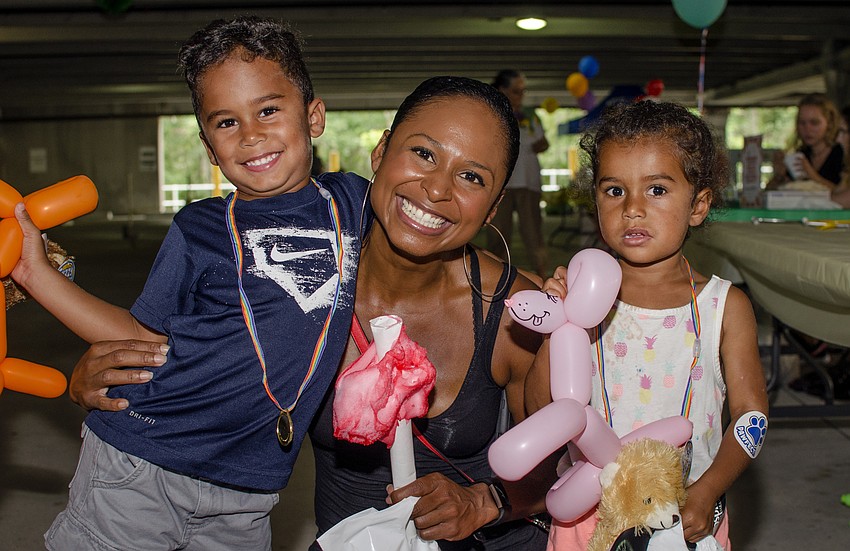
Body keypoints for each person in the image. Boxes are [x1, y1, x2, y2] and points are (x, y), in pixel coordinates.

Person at [43, 76, 559, 550]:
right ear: (381, 152)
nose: (438, 189)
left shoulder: (514, 313)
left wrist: (482, 501)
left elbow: (563, 465)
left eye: (471, 176)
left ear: (492, 208)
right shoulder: (298, 280)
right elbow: (203, 349)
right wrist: (119, 378)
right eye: (423, 153)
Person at [12, 16, 370, 550]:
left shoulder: (353, 202)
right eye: (226, 123)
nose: (251, 135)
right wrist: (34, 274)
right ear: (207, 146)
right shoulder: (198, 227)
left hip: (250, 489)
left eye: (269, 110)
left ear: (313, 116)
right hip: (141, 460)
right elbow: (139, 337)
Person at [536, 101, 769, 550]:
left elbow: (752, 416)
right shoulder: (580, 302)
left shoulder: (725, 306)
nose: (633, 208)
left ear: (698, 205)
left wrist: (709, 488)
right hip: (587, 515)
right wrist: (559, 327)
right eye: (614, 191)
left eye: (657, 189)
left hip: (684, 515)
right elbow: (538, 411)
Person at [488, 69, 549, 279]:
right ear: (502, 90)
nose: (521, 95)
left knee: (533, 234)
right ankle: (496, 280)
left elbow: (544, 143)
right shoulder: (491, 113)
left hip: (528, 182)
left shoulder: (531, 116)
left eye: (523, 91)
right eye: (516, 91)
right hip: (500, 183)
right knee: (498, 234)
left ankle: (542, 278)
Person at [766, 93, 845, 189]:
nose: (807, 129)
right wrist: (779, 176)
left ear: (829, 123)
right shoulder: (801, 155)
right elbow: (766, 195)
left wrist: (812, 176)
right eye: (802, 123)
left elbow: (844, 195)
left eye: (814, 123)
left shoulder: (842, 154)